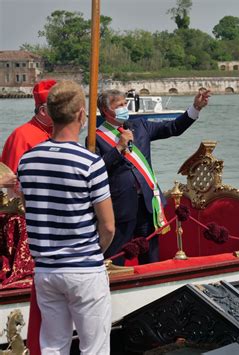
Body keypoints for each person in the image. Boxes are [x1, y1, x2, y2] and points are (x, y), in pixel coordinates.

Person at [17, 80, 115, 354]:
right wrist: (95, 252)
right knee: (94, 348)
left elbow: (30, 207)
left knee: (53, 347)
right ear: (82, 114)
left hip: (46, 270)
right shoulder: (91, 163)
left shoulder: (27, 161)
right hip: (84, 269)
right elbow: (107, 226)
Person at [93, 88, 210, 265]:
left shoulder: (140, 126)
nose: (124, 107)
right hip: (119, 208)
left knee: (150, 258)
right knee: (115, 259)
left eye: (125, 103)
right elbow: (97, 170)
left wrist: (195, 108)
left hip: (148, 204)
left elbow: (173, 128)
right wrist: (118, 148)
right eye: (119, 105)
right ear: (106, 111)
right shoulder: (95, 138)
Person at [1, 79, 57, 172]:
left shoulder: (61, 131)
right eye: (58, 107)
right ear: (43, 111)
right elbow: (12, 179)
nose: (65, 110)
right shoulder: (21, 137)